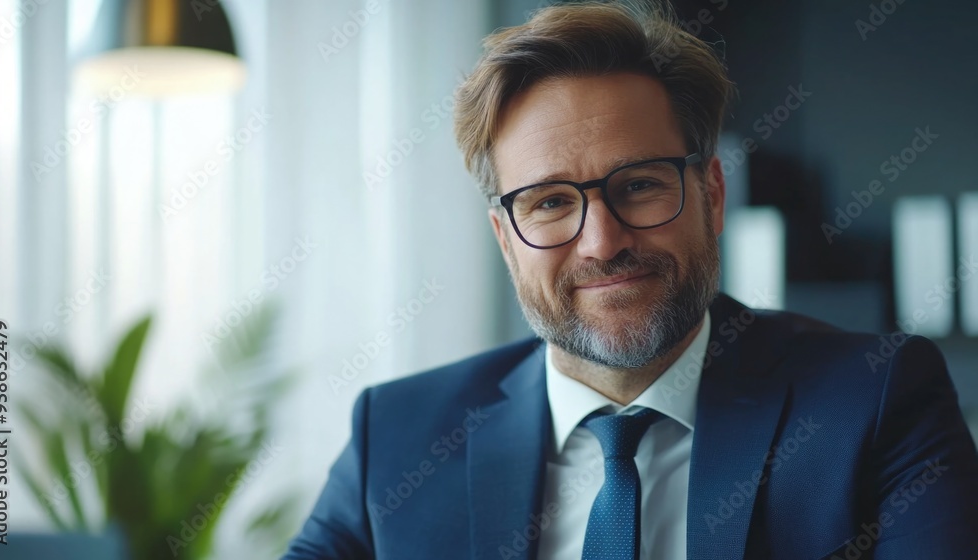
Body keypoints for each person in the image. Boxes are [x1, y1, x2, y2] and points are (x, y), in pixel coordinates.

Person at [282, 2, 978, 558]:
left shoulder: (878, 404)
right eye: (550, 202)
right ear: (504, 237)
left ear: (711, 193)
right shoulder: (398, 437)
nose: (603, 242)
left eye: (640, 185)